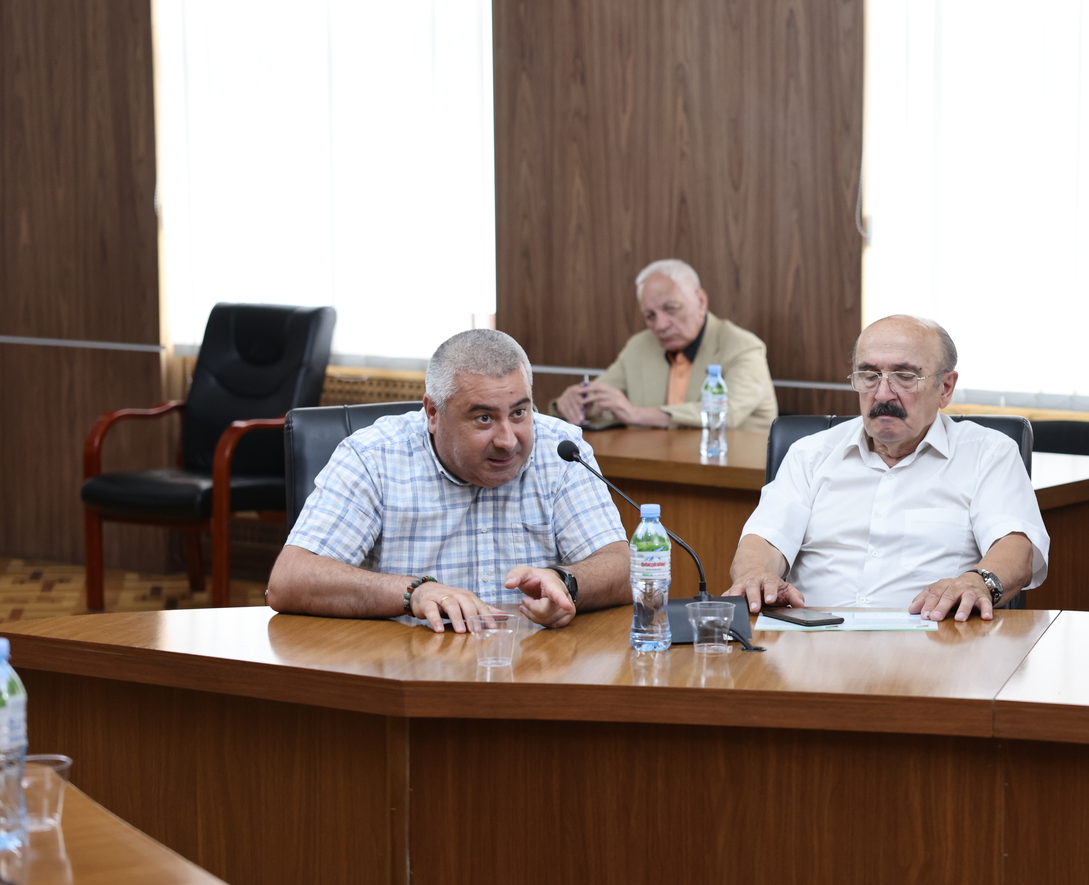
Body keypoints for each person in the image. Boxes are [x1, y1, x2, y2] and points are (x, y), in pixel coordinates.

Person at [267, 329, 630, 633]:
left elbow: (623, 566)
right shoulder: (373, 457)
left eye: (519, 412)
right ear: (433, 413)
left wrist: (567, 582)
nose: (507, 440)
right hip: (408, 670)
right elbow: (290, 580)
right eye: (484, 418)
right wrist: (413, 593)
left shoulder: (561, 450)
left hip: (534, 668)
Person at [724, 315, 1049, 621]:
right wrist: (756, 575)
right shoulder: (810, 454)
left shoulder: (988, 453)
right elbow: (765, 539)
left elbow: (1016, 548)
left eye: (904, 377)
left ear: (945, 388)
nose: (882, 394)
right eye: (869, 375)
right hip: (810, 640)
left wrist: (978, 582)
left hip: (934, 642)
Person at [551, 259, 778, 430]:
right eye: (650, 316)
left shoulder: (743, 347)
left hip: (733, 469)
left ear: (701, 301)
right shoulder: (640, 346)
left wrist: (637, 414)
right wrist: (575, 403)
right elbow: (602, 401)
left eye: (671, 309)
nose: (660, 325)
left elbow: (727, 413)